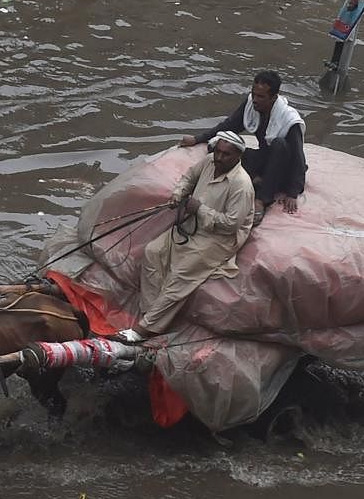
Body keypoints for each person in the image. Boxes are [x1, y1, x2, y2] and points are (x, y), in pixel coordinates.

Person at [114, 131, 256, 342]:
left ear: (237, 157)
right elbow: (189, 177)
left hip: (219, 238)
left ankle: (144, 330)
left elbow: (231, 225)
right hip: (192, 225)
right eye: (218, 151)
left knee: (180, 276)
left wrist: (199, 209)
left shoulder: (241, 185)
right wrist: (179, 193)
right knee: (153, 252)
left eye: (226, 154)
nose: (219, 157)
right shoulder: (209, 162)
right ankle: (152, 314)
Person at [179, 70, 306, 224]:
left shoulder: (290, 120)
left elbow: (299, 158)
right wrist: (197, 139)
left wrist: (292, 193)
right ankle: (256, 179)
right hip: (265, 158)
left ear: (274, 97)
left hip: (283, 168)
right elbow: (230, 125)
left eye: (261, 97)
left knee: (279, 144)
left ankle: (261, 200)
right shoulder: (251, 105)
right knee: (220, 145)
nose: (255, 100)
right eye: (254, 94)